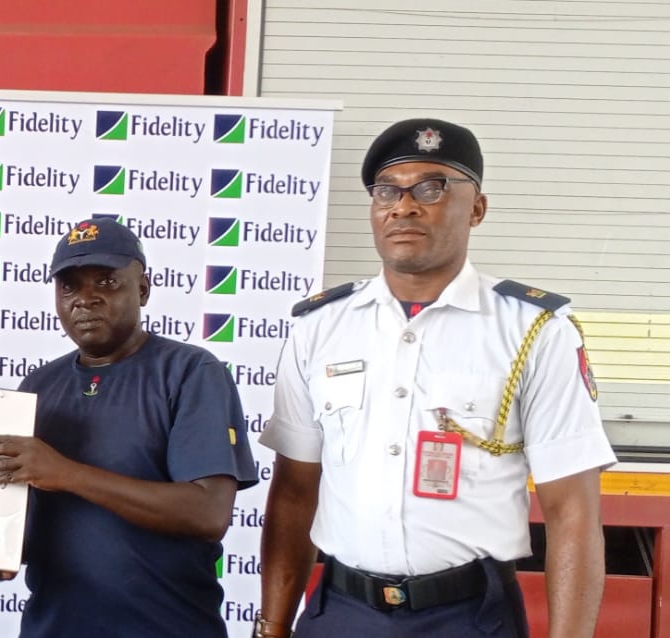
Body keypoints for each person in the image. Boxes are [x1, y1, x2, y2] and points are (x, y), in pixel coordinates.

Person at [255, 119, 615, 638]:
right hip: (341, 612)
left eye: (431, 188)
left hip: (469, 617)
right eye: (387, 191)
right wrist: (271, 626)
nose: (403, 206)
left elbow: (572, 511)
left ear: (477, 209)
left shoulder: (534, 331)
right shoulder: (321, 327)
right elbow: (293, 493)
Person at [0, 217, 258, 637]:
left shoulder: (190, 372)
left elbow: (208, 512)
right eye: (69, 287)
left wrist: (66, 473)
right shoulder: (37, 387)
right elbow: (31, 522)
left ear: (142, 289)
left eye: (106, 282)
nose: (85, 300)